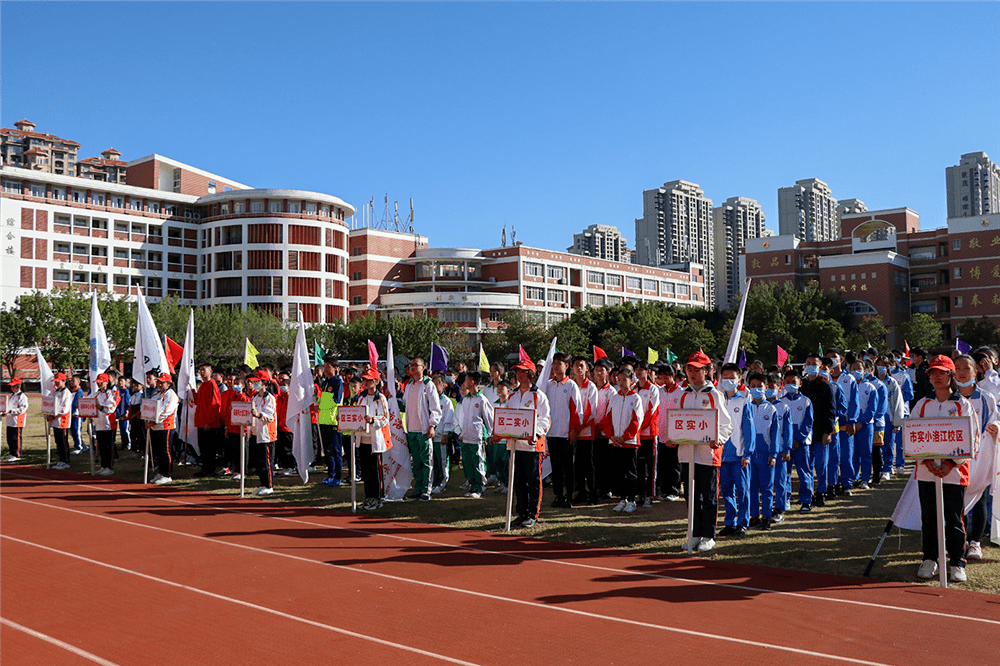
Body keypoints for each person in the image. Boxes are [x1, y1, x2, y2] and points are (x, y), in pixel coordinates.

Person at [912, 355, 977, 583]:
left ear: (951, 376)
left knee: (954, 519)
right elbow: (912, 438)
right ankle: (930, 559)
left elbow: (972, 439)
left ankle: (957, 562)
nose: (937, 377)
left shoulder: (963, 405)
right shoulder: (922, 405)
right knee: (929, 518)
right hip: (926, 473)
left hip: (954, 474)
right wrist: (927, 462)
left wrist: (950, 464)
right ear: (928, 376)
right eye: (933, 372)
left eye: (942, 372)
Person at [666, 350, 733, 553]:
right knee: (692, 496)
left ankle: (708, 535)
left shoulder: (714, 394)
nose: (693, 374)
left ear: (707, 371)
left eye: (697, 370)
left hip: (708, 455)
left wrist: (718, 440)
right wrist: (672, 438)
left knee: (709, 495)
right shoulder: (683, 395)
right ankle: (693, 534)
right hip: (688, 454)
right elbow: (677, 421)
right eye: (689, 369)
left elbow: (726, 425)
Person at [953, 355, 999, 564]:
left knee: (979, 497)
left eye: (966, 368)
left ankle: (975, 542)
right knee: (956, 500)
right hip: (954, 460)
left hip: (979, 459)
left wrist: (995, 428)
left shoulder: (986, 398)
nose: (962, 372)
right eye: (957, 368)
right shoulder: (948, 398)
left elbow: (994, 420)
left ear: (975, 371)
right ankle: (958, 541)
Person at [495, 358, 550, 527]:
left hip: (533, 446)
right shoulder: (512, 396)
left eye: (522, 371)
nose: (519, 375)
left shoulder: (538, 396)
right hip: (515, 446)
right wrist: (497, 433)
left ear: (531, 374)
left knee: (533, 480)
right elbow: (504, 418)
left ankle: (533, 514)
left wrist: (536, 433)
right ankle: (521, 512)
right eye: (517, 371)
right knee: (517, 480)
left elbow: (545, 419)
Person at [541, 352, 583, 509]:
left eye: (559, 363)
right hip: (552, 434)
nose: (556, 366)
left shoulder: (571, 385)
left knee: (568, 467)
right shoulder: (549, 385)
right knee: (556, 467)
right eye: (554, 363)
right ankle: (558, 495)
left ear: (567, 366)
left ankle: (569, 496)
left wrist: (573, 430)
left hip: (566, 434)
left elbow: (577, 410)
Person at [599, 365, 644, 513]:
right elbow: (608, 419)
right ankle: (622, 499)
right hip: (615, 442)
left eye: (625, 380)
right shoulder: (615, 398)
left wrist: (625, 438)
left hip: (629, 443)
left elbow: (636, 422)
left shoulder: (636, 398)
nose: (622, 382)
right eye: (619, 380)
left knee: (631, 472)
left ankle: (632, 500)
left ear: (632, 381)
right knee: (618, 472)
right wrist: (611, 435)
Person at [718, 363, 755, 536]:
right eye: (725, 376)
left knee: (743, 490)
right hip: (722, 455)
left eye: (732, 377)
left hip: (739, 455)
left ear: (739, 379)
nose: (728, 380)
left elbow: (749, 430)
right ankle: (730, 522)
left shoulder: (743, 401)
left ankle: (743, 523)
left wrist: (747, 453)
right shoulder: (717, 399)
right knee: (726, 491)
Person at [402, 358, 443, 501]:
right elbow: (405, 404)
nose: (412, 368)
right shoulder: (409, 385)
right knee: (417, 461)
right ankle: (418, 488)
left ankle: (426, 489)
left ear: (423, 367)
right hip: (412, 430)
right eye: (410, 365)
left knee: (426, 460)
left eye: (415, 365)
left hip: (423, 430)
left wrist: (432, 424)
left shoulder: (428, 385)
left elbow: (435, 408)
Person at [800, 354, 836, 506]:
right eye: (808, 363)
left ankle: (821, 492)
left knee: (821, 465)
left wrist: (828, 431)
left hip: (821, 431)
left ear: (820, 366)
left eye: (814, 363)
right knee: (806, 465)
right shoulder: (801, 385)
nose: (810, 366)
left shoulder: (826, 385)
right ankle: (808, 493)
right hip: (805, 432)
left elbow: (831, 411)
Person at [746, 371, 779, 530]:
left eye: (759, 387)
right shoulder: (746, 407)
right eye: (753, 386)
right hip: (749, 455)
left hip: (766, 454)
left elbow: (775, 434)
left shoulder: (772, 409)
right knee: (751, 487)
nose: (756, 389)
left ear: (766, 388)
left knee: (766, 487)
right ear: (748, 387)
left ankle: (766, 516)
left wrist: (773, 454)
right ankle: (754, 517)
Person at [454, 371, 495, 499]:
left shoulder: (482, 400)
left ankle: (480, 487)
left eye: (466, 380)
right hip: (465, 437)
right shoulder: (465, 400)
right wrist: (460, 432)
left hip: (476, 438)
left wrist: (489, 434)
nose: (464, 383)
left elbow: (489, 419)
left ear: (472, 382)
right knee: (467, 462)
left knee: (478, 462)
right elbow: (461, 418)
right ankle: (472, 486)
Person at [357, 368, 391, 510]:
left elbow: (385, 418)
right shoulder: (361, 398)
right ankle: (368, 497)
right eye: (364, 380)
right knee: (365, 471)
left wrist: (373, 420)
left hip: (375, 440)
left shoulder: (381, 398)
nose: (365, 382)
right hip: (363, 439)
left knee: (375, 471)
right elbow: (357, 414)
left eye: (368, 380)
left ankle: (377, 498)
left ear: (376, 382)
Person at [782, 368, 815, 512]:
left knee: (804, 471)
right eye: (787, 382)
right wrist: (787, 442)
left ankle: (806, 500)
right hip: (786, 445)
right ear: (783, 383)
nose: (790, 384)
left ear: (800, 383)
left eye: (793, 382)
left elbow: (808, 423)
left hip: (802, 444)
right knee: (785, 472)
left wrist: (798, 439)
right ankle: (786, 498)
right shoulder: (780, 403)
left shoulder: (806, 401)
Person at [570, 356, 598, 505]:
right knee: (577, 466)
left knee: (589, 466)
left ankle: (593, 494)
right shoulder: (571, 385)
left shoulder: (591, 387)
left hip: (586, 433)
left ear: (587, 368)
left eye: (582, 365)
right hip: (573, 432)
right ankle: (580, 492)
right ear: (572, 368)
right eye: (576, 365)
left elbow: (590, 412)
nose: (579, 368)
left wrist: (576, 428)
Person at [766, 373, 793, 522]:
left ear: (779, 387)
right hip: (764, 450)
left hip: (780, 450)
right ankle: (767, 508)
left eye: (772, 387)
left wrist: (787, 449)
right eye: (767, 387)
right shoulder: (759, 406)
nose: (769, 390)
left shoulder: (784, 407)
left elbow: (788, 430)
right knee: (766, 482)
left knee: (780, 481)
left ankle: (780, 508)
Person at [634, 361, 661, 508]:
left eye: (642, 369)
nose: (638, 372)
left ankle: (650, 495)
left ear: (648, 371)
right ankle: (640, 494)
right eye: (636, 369)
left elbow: (651, 412)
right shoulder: (633, 388)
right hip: (636, 435)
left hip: (649, 433)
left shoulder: (653, 389)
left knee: (650, 467)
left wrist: (638, 427)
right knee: (638, 466)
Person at [656, 364, 684, 502]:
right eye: (662, 377)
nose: (664, 380)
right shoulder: (659, 391)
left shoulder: (681, 392)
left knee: (674, 464)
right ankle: (665, 490)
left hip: (675, 434)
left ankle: (674, 490)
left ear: (673, 376)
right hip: (661, 433)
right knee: (663, 464)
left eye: (667, 377)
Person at [317, 355, 345, 487]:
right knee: (327, 450)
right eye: (325, 366)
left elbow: (337, 401)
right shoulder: (324, 382)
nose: (325, 369)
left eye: (328, 366)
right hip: (324, 420)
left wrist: (321, 404)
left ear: (336, 368)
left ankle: (338, 477)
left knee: (336, 450)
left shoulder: (337, 382)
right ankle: (330, 475)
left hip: (334, 421)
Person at [248, 372, 277, 496]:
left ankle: (269, 485)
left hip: (266, 434)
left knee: (266, 461)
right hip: (256, 432)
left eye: (257, 382)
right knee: (259, 461)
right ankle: (262, 483)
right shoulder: (255, 397)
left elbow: (269, 416)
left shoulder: (269, 398)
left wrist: (258, 415)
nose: (255, 385)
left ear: (264, 383)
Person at [592, 358, 616, 501]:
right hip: (591, 433)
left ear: (607, 372)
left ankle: (607, 489)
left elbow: (610, 413)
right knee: (596, 463)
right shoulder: (592, 389)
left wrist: (600, 427)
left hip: (605, 433)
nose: (599, 372)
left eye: (602, 370)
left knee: (607, 463)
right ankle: (597, 487)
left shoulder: (611, 391)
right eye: (597, 370)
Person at [193, 363, 223, 477]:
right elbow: (200, 402)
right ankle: (205, 468)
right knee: (203, 447)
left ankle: (210, 469)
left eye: (204, 370)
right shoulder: (203, 386)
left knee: (209, 448)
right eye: (200, 370)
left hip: (208, 423)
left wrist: (209, 421)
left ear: (210, 371)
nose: (201, 372)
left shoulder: (212, 385)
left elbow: (214, 404)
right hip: (201, 422)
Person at [148, 373, 178, 484]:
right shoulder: (156, 394)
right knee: (158, 451)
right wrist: (148, 420)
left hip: (166, 426)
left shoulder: (171, 394)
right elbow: (150, 408)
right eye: (158, 381)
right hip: (155, 427)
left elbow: (167, 411)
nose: (159, 384)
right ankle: (161, 472)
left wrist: (154, 420)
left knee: (166, 451)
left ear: (168, 383)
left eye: (162, 382)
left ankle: (167, 474)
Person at [430, 374, 456, 494]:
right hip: (431, 437)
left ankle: (442, 483)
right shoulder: (429, 399)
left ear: (443, 385)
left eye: (437, 384)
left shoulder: (446, 401)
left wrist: (445, 434)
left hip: (441, 436)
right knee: (433, 461)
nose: (434, 387)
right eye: (433, 384)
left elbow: (448, 419)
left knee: (442, 461)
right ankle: (434, 482)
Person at [93, 373, 119, 475]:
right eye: (98, 383)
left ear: (107, 382)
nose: (99, 385)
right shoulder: (96, 394)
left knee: (109, 447)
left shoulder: (111, 393)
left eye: (101, 382)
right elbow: (89, 403)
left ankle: (110, 467)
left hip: (108, 424)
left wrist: (101, 407)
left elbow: (111, 408)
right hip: (99, 424)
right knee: (102, 447)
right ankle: (103, 466)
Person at [47, 372, 73, 470]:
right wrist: (48, 414)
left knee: (63, 441)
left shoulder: (66, 393)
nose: (56, 383)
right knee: (58, 441)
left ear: (64, 381)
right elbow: (49, 403)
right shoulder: (55, 392)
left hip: (62, 421)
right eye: (55, 381)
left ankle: (65, 461)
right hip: (55, 421)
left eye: (58, 381)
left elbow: (64, 409)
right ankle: (61, 460)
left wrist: (54, 416)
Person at [3, 378, 29, 462]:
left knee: (16, 438)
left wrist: (11, 411)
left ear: (19, 386)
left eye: (14, 386)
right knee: (9, 438)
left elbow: (22, 409)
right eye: (11, 386)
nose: (12, 388)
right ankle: (12, 453)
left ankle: (17, 454)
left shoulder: (23, 397)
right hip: (10, 421)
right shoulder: (12, 396)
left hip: (17, 421)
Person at [114, 375, 131, 451]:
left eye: (122, 381)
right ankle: (123, 443)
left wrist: (126, 411)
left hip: (124, 414)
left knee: (124, 429)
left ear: (125, 382)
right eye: (119, 381)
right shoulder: (117, 391)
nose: (120, 383)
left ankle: (127, 443)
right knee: (120, 429)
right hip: (117, 413)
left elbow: (128, 403)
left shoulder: (126, 391)